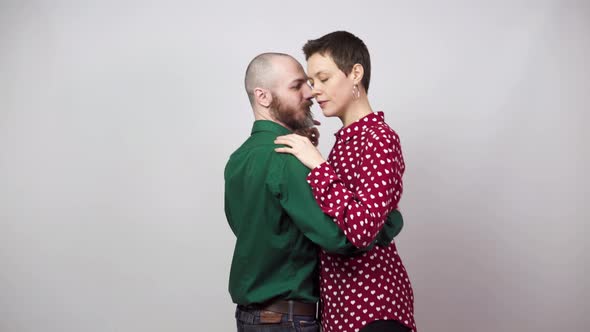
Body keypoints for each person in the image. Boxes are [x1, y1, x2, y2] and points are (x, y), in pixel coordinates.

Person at [225, 52, 404, 332]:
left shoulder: (238, 159)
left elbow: (260, 230)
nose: (310, 93)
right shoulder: (287, 158)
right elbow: (345, 240)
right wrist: (389, 221)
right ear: (263, 97)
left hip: (249, 319)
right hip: (288, 320)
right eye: (297, 86)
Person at [274, 31, 417, 332]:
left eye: (323, 78)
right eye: (312, 82)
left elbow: (362, 230)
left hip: (375, 309)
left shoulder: (379, 138)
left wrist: (317, 164)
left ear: (355, 73)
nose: (314, 91)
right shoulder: (345, 141)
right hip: (341, 312)